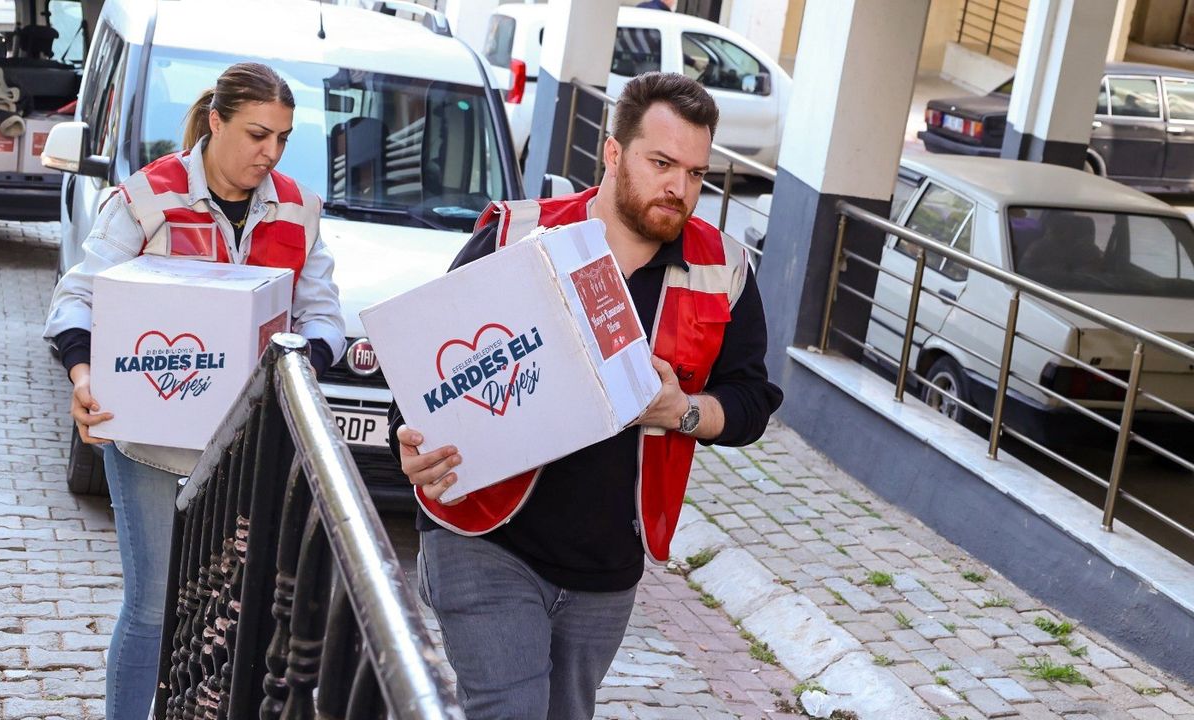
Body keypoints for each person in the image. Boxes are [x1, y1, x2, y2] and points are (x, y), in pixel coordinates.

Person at [388, 72, 782, 720]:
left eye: (695, 173)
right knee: (509, 711)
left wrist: (681, 411)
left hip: (607, 563)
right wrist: (408, 443)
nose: (679, 188)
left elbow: (751, 401)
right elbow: (424, 376)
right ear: (613, 152)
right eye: (661, 163)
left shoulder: (725, 269)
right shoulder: (518, 234)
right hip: (483, 535)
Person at [43, 63, 345, 720]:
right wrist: (83, 375)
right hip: (150, 446)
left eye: (283, 139)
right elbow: (77, 299)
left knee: (224, 615)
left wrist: (298, 366)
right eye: (257, 134)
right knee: (154, 606)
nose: (271, 153)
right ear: (215, 122)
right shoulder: (146, 198)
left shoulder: (298, 208)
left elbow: (323, 316)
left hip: (245, 456)